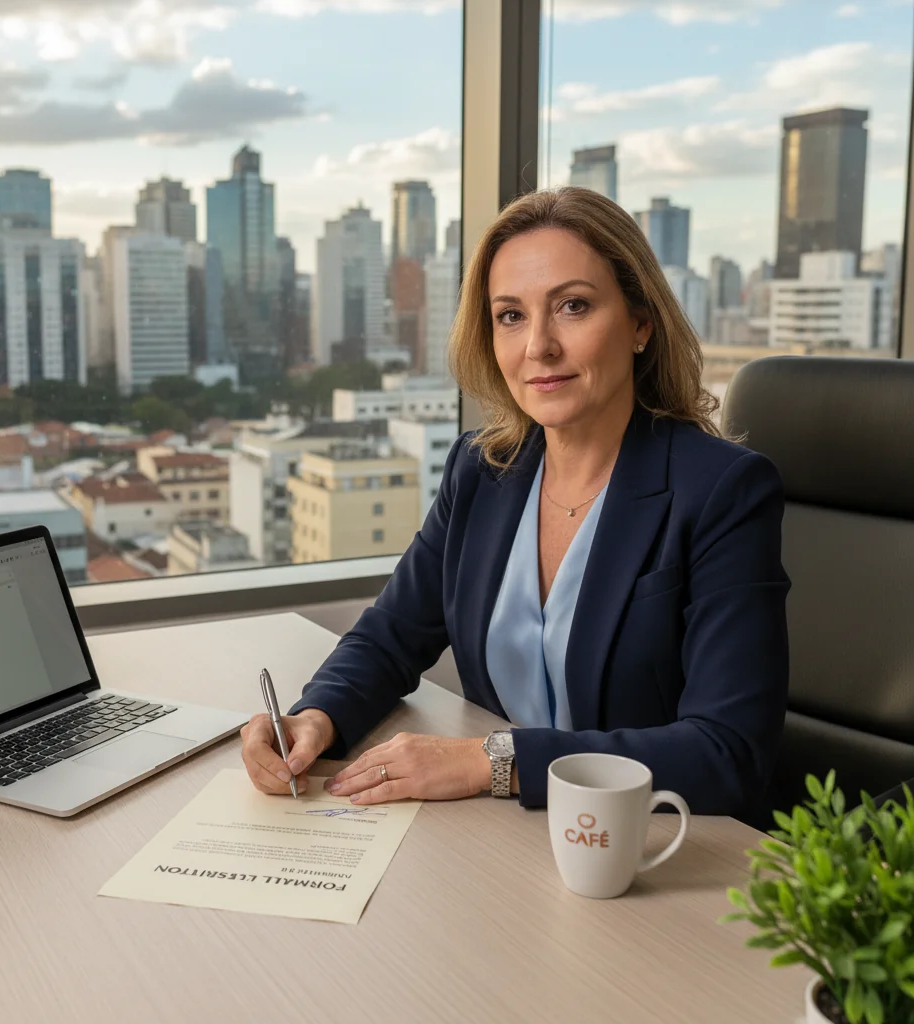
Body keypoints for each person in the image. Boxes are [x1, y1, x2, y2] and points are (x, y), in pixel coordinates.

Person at [241, 186, 790, 820]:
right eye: (511, 315)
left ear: (641, 323)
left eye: (574, 307)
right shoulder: (481, 470)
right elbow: (390, 637)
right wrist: (316, 718)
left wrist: (488, 761)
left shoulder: (722, 490)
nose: (539, 347)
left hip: (655, 847)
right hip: (504, 838)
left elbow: (727, 753)